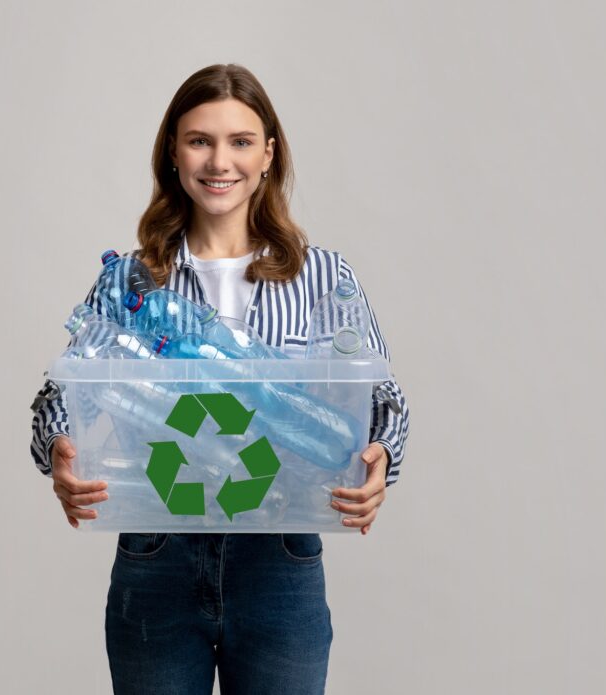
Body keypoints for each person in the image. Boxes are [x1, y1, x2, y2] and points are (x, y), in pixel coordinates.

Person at [29, 63, 409, 695]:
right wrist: (60, 456)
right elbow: (62, 396)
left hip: (279, 556)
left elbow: (381, 399)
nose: (219, 161)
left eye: (239, 141)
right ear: (173, 155)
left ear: (268, 154)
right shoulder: (129, 281)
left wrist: (379, 461)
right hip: (157, 551)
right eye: (199, 140)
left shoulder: (322, 276)